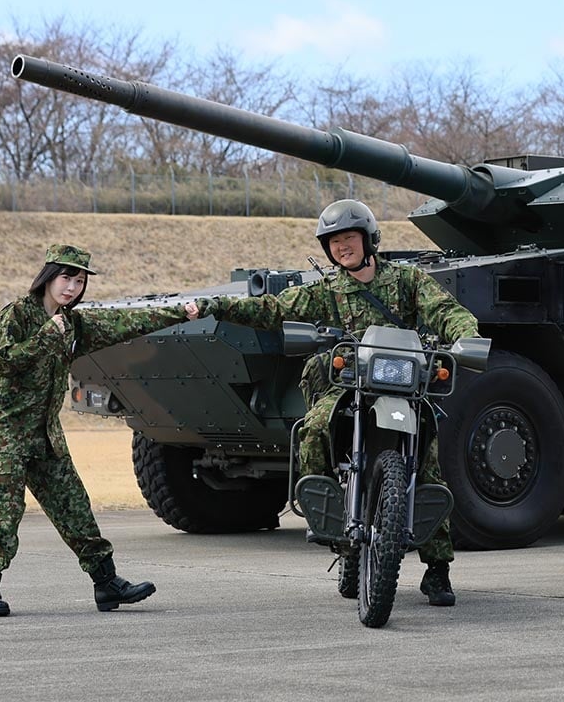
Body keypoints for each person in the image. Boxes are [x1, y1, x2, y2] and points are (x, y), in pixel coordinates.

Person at [184, 199, 479, 606]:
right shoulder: (328, 290)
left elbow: (447, 311)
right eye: (335, 242)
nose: (342, 248)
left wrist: (466, 336)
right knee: (313, 428)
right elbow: (273, 309)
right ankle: (334, 523)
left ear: (368, 239)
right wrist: (215, 306)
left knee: (427, 468)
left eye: (349, 239)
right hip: (348, 388)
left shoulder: (408, 281)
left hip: (404, 386)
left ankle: (437, 569)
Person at [0, 245, 196, 616]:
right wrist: (46, 335)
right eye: (66, 278)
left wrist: (179, 314)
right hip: (5, 438)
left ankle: (107, 585)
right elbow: (4, 362)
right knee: (4, 518)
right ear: (48, 277)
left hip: (45, 437)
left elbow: (125, 324)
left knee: (76, 511)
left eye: (79, 281)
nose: (71, 288)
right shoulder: (18, 314)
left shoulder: (73, 323)